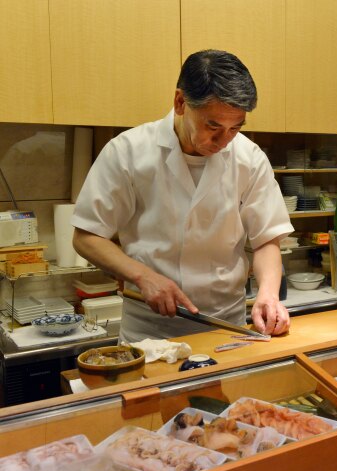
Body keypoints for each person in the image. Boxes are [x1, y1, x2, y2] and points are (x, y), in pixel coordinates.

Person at [72, 50, 294, 342]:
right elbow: (86, 236)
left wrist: (268, 294)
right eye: (213, 126)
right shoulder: (128, 151)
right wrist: (143, 276)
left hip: (225, 324)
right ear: (180, 103)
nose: (224, 140)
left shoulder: (249, 158)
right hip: (149, 329)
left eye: (235, 128)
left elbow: (267, 238)